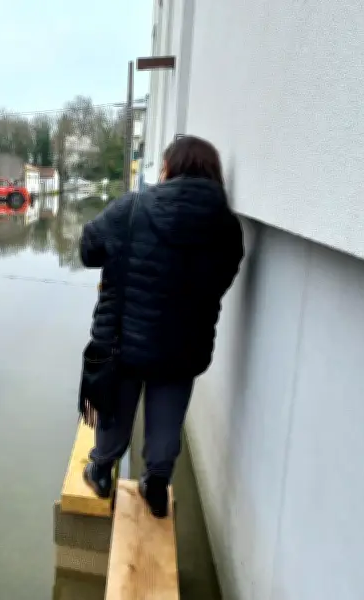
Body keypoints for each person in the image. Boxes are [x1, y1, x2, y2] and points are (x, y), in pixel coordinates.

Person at [79, 135, 244, 518]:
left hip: (124, 337)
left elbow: (88, 250)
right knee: (168, 414)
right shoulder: (226, 226)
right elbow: (223, 278)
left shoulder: (133, 208)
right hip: (184, 345)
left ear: (168, 169)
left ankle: (101, 470)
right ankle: (155, 486)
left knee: (115, 405)